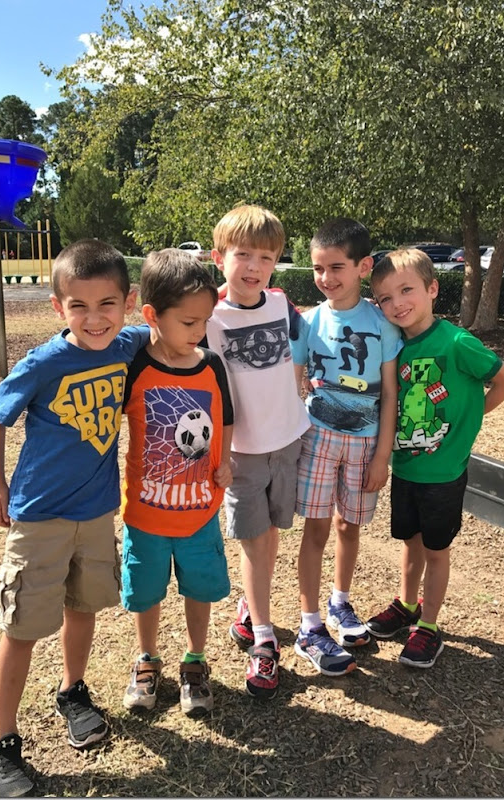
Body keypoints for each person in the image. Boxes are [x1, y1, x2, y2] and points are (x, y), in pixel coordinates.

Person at [0, 239, 148, 798]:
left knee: (84, 607)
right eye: (79, 306)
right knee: (23, 629)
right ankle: (1, 744)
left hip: (98, 513)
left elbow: (178, 317)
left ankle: (73, 691)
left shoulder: (128, 344)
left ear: (128, 303)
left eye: (107, 304)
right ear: (59, 307)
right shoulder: (44, 362)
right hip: (40, 519)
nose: (94, 318)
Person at [365, 248, 504, 667]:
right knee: (410, 543)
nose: (397, 304)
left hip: (443, 473)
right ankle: (406, 604)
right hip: (406, 467)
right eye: (385, 298)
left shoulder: (457, 342)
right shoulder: (395, 348)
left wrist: (471, 421)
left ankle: (428, 626)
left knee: (436, 550)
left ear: (432, 289)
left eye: (406, 290)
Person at [120, 249, 234, 715]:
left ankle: (195, 660)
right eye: (188, 322)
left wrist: (225, 461)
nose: (199, 331)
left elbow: (226, 419)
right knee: (145, 592)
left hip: (199, 512)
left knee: (199, 588)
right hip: (145, 514)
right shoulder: (134, 366)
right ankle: (147, 660)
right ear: (152, 315)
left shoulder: (212, 365)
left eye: (205, 321)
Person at [205, 204, 310, 699]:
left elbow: (310, 335)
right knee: (252, 540)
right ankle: (264, 641)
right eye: (243, 254)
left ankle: (252, 605)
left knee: (270, 532)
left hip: (288, 440)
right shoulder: (208, 315)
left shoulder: (281, 303)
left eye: (266, 257)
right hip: (241, 452)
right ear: (219, 257)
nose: (254, 266)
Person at [290, 217, 402, 676]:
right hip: (317, 438)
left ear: (363, 267)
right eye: (318, 268)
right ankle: (309, 623)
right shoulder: (308, 321)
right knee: (315, 530)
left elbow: (390, 395)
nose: (326, 278)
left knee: (349, 526)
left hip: (365, 445)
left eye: (336, 267)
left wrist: (382, 456)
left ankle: (340, 602)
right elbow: (294, 384)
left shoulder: (383, 324)